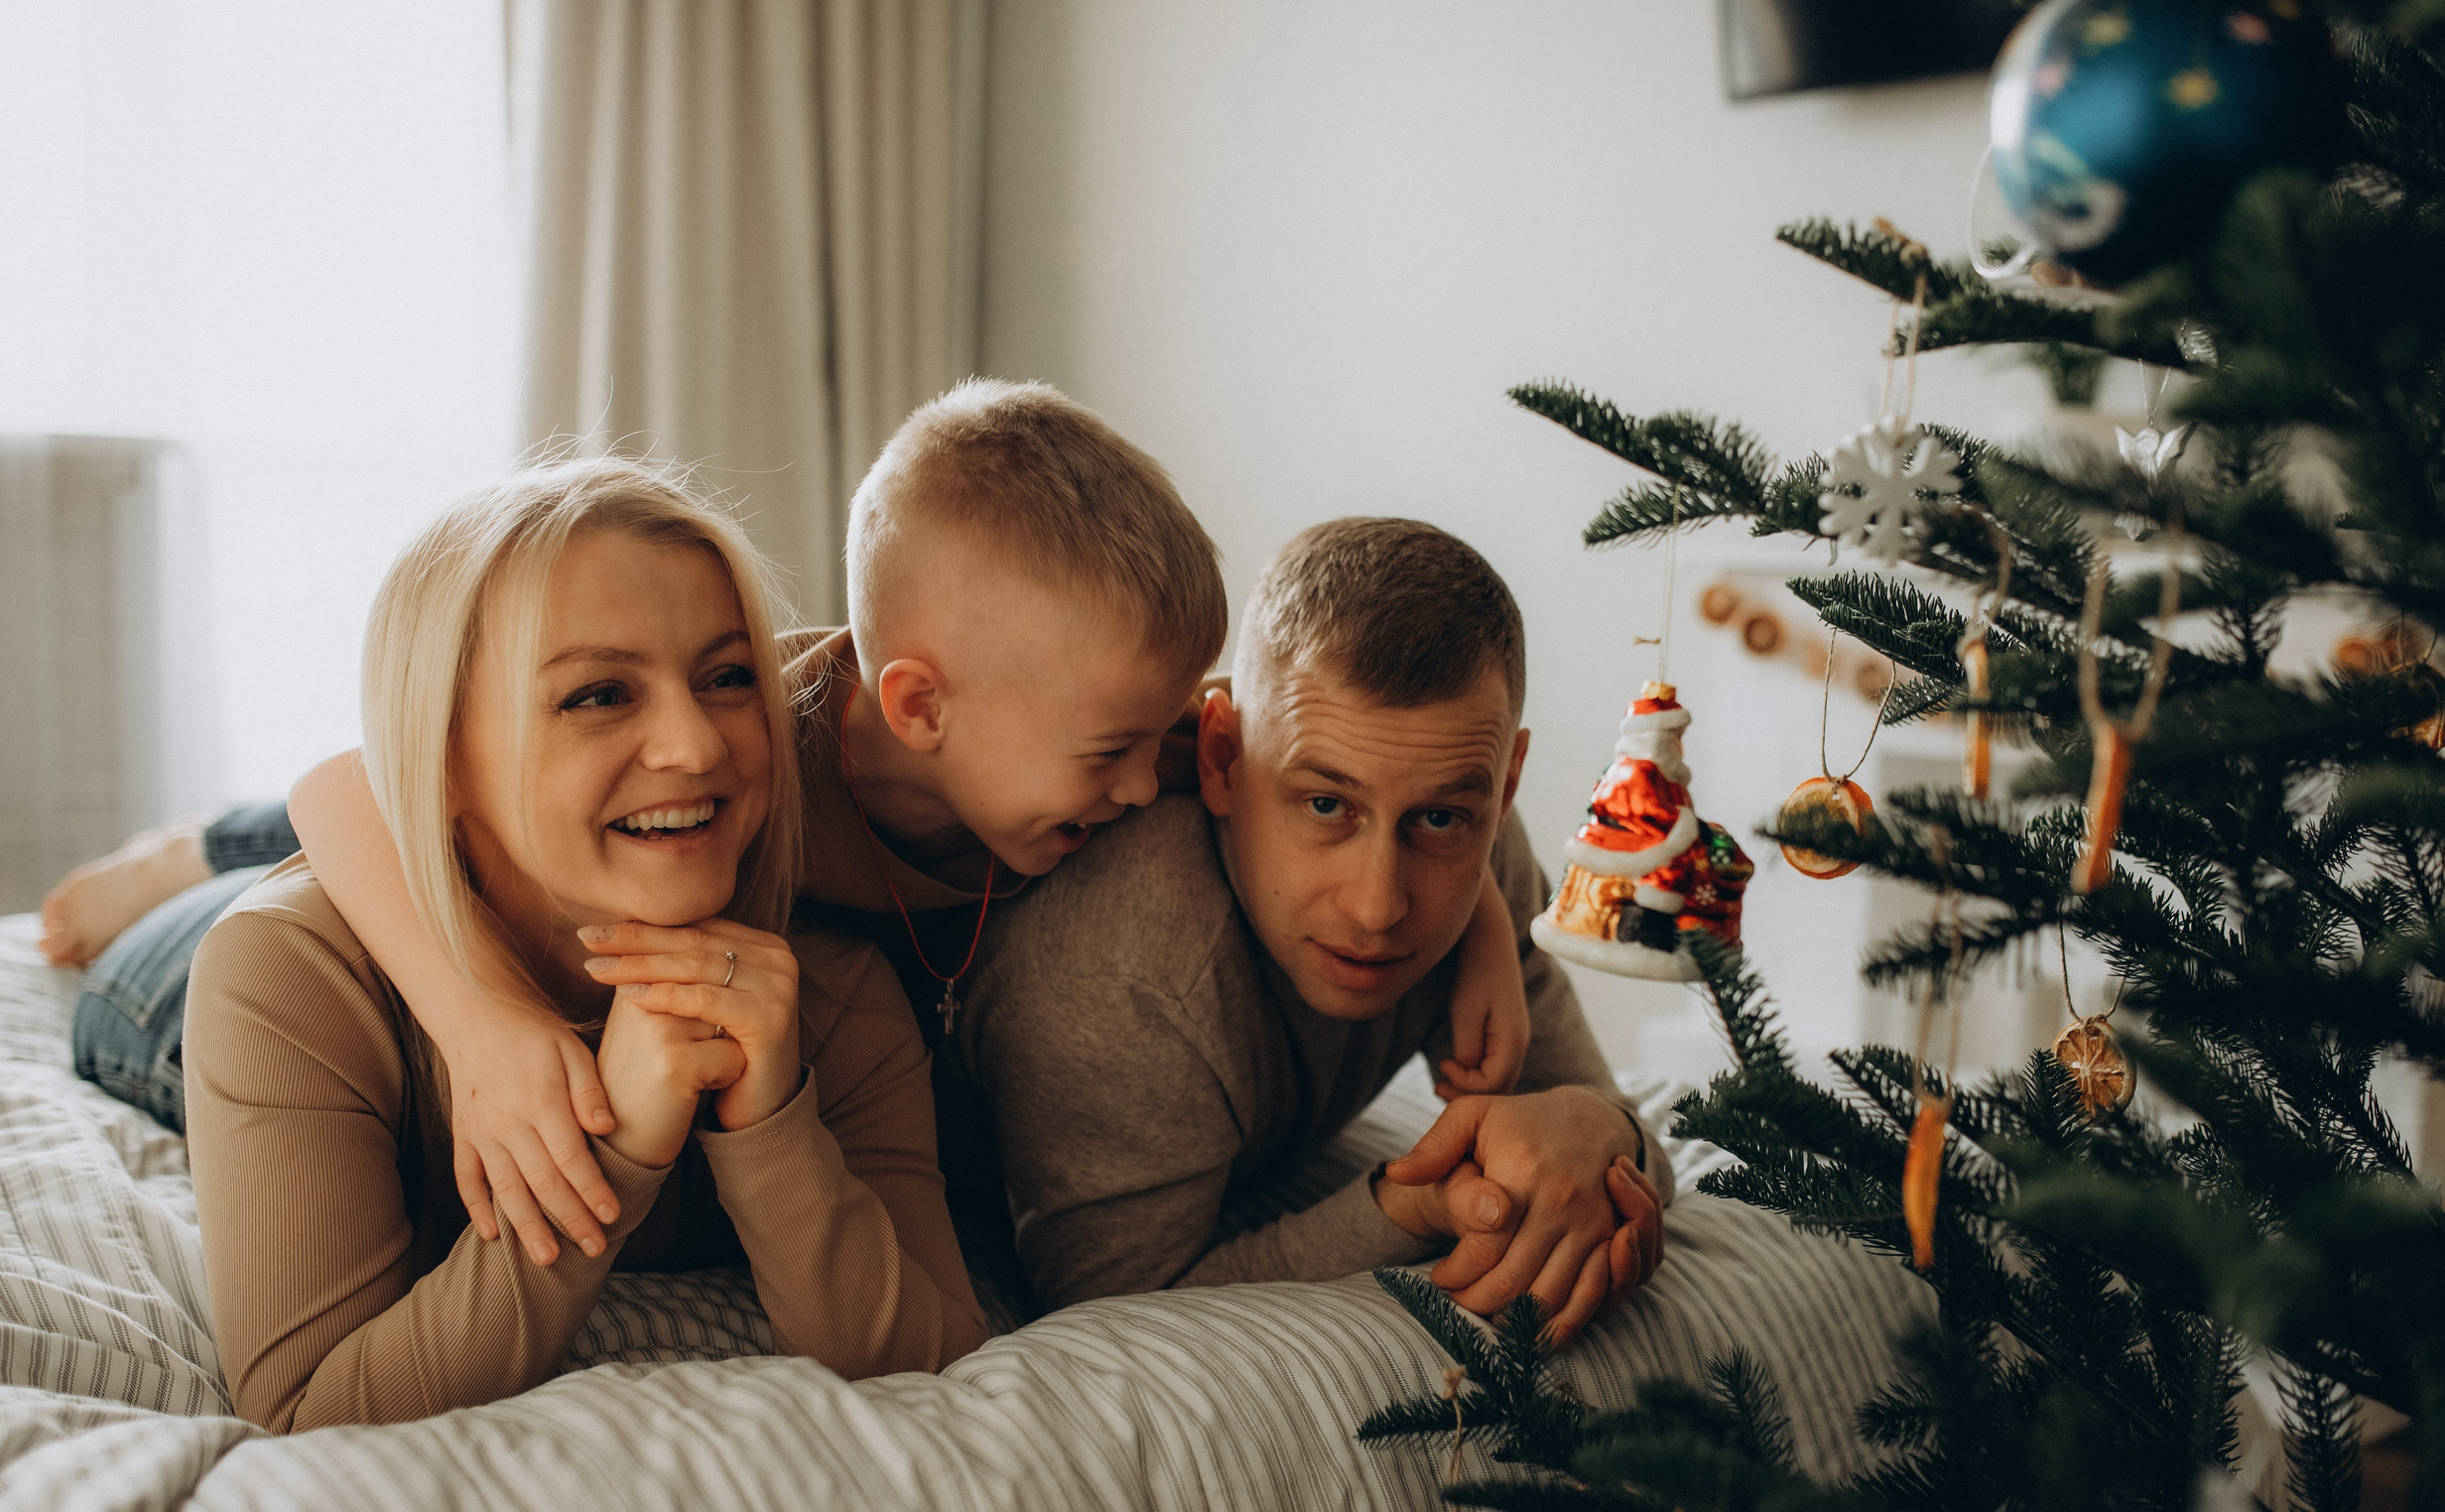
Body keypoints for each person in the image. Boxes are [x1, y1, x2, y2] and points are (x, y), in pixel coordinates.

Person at [46, 381, 1537, 1269]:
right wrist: (486, 1017)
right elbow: (366, 779)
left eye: (1162, 742)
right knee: (348, 844)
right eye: (1115, 754)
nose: (1149, 791)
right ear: (917, 704)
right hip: (190, 979)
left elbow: (1322, 781)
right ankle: (191, 846)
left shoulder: (1078, 762)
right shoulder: (750, 757)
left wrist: (1474, 916)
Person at [182, 458, 987, 1431]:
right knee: (193, 929)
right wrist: (611, 1146)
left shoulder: (831, 991)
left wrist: (770, 1122)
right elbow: (307, 1414)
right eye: (598, 695)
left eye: (729, 677)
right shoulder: (285, 981)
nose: (695, 747)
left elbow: (933, 1362)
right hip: (168, 993)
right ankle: (181, 858)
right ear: (436, 758)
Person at [954, 519, 1671, 1346]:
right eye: (1327, 804)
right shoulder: (1126, 961)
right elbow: (1113, 1311)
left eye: (1438, 817)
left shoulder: (1483, 858)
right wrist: (1406, 1204)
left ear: (1505, 783)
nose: (1378, 906)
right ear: (1222, 759)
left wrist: (1597, 1133)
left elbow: (1614, 1126)